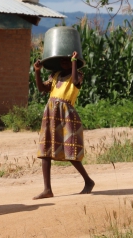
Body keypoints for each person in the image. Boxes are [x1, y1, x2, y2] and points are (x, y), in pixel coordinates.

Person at [32, 51, 95, 199]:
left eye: (67, 60)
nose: (64, 62)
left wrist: (74, 62)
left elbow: (74, 82)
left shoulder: (78, 75)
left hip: (67, 115)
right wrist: (37, 71)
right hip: (51, 114)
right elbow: (42, 89)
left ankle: (88, 181)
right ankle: (47, 189)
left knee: (71, 151)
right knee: (45, 151)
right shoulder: (55, 76)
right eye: (62, 60)